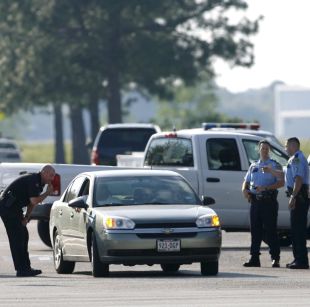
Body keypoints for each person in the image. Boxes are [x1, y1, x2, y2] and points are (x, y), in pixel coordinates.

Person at [0, 164, 55, 277]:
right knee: (17, 238)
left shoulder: (40, 182)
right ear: (43, 173)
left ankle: (26, 268)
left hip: (15, 209)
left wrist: (26, 217)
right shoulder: (34, 180)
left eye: (53, 176)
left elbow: (31, 204)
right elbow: (35, 201)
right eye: (50, 175)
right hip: (8, 208)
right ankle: (21, 269)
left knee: (24, 236)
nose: (52, 178)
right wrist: (47, 193)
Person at [242, 140, 284, 268]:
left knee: (271, 230)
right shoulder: (253, 165)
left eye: (266, 149)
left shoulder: (274, 165)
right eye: (262, 148)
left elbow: (281, 182)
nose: (264, 151)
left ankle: (275, 258)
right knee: (255, 231)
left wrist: (266, 188)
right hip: (255, 202)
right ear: (258, 150)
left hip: (268, 202)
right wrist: (244, 189)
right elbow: (246, 181)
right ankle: (254, 258)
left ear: (269, 150)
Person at [284, 137, 309, 269]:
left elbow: (298, 179)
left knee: (298, 229)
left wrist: (293, 196)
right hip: (298, 196)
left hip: (299, 197)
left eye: (286, 146)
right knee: (295, 229)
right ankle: (297, 258)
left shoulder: (297, 159)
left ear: (293, 146)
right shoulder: (294, 158)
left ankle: (302, 261)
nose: (285, 148)